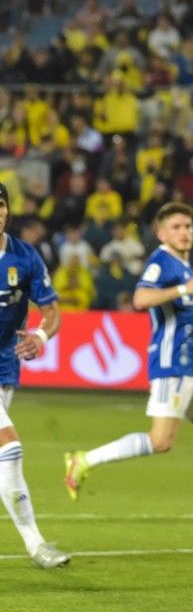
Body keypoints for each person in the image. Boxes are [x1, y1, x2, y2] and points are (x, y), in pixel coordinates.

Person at [64, 202, 193, 525]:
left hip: (192, 365)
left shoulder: (184, 264)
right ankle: (83, 460)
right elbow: (141, 299)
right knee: (161, 441)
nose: (185, 232)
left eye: (188, 226)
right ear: (162, 233)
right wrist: (184, 288)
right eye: (177, 227)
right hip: (171, 365)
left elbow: (176, 308)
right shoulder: (161, 262)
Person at [0, 182, 71, 568]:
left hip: (4, 366)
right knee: (8, 448)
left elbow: (52, 310)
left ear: (7, 211)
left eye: (0, 205)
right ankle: (35, 544)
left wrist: (41, 336)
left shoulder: (24, 258)